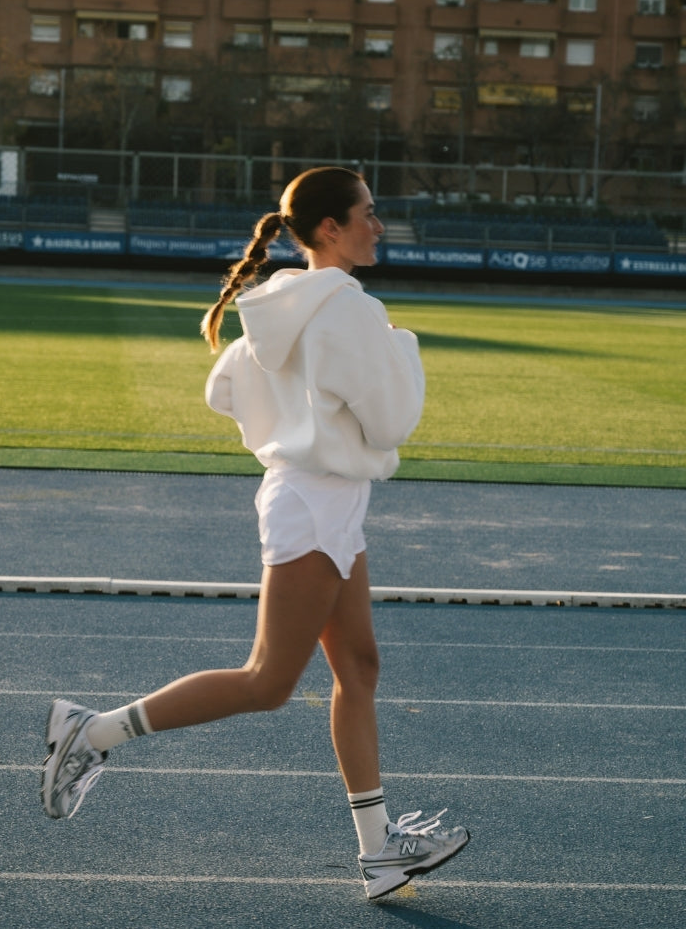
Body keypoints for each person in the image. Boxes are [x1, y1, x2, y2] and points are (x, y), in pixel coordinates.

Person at [40, 166, 470, 900]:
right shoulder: (350, 309)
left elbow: (225, 389)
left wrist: (291, 424)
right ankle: (92, 732)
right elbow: (394, 422)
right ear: (330, 228)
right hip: (315, 505)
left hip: (320, 500)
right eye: (369, 211)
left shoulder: (277, 305)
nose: (379, 223)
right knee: (268, 681)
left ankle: (380, 854)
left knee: (358, 668)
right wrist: (404, 345)